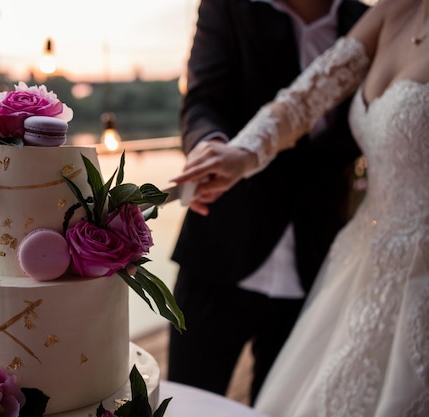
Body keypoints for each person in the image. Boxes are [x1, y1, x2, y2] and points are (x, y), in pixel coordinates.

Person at [171, 0, 429, 415]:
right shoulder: (391, 12)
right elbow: (301, 98)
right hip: (235, 251)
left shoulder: (356, 13)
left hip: (326, 252)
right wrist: (237, 151)